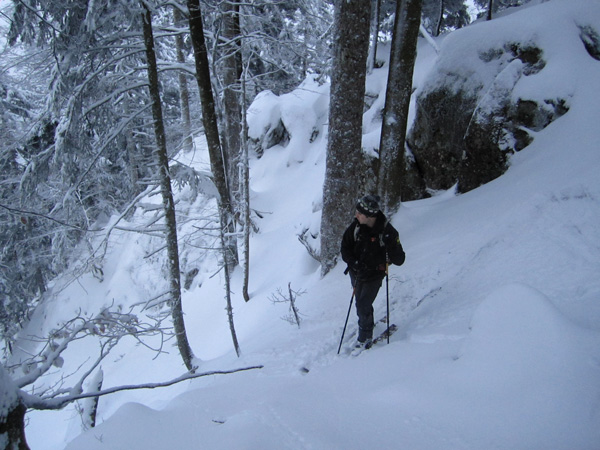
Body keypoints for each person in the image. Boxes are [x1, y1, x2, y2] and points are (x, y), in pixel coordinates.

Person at [341, 194, 405, 347]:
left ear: (370, 216)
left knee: (363, 304)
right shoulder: (355, 227)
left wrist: (392, 247)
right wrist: (353, 262)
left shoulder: (387, 232)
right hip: (356, 273)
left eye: (360, 213)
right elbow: (345, 248)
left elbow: (400, 259)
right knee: (360, 303)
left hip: (375, 274)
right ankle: (368, 322)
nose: (356, 215)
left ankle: (365, 337)